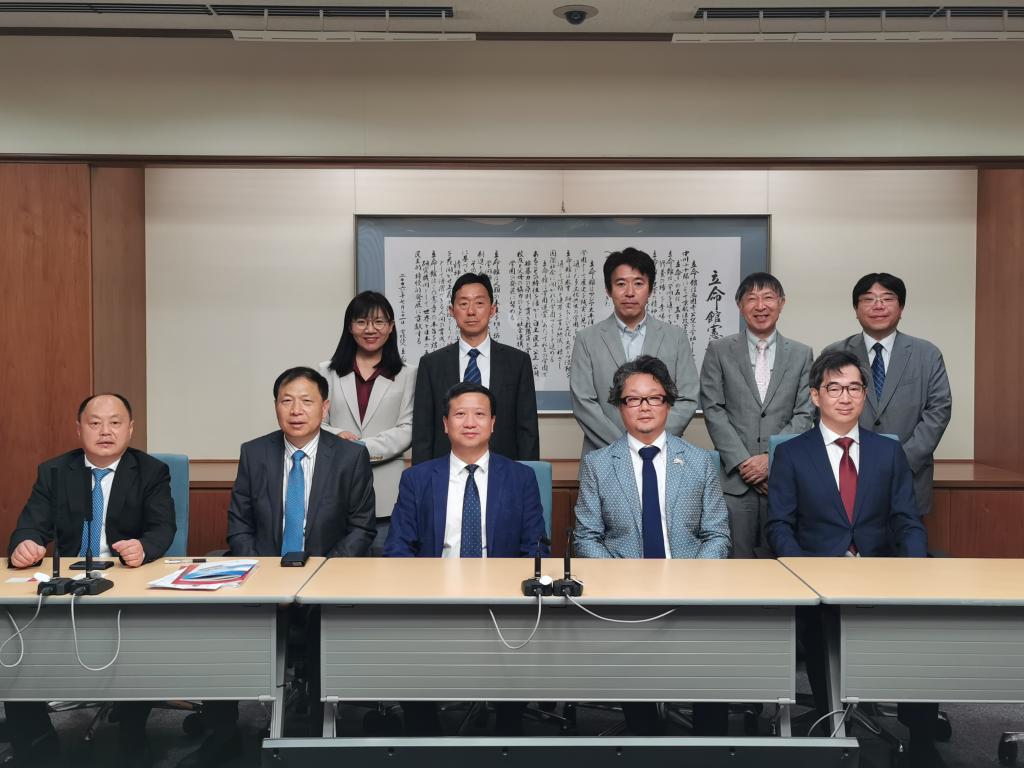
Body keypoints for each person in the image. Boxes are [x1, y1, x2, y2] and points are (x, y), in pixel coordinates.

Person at [177, 367, 375, 768]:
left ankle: (321, 737)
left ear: (324, 407)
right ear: (276, 407)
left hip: (326, 581)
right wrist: (265, 580)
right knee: (221, 626)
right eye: (287, 401)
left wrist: (319, 579)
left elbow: (361, 527)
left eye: (306, 401)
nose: (296, 410)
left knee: (324, 628)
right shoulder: (256, 453)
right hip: (264, 578)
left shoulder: (350, 456)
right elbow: (240, 525)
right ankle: (223, 734)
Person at [766, 349, 940, 767]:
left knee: (924, 629)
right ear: (815, 395)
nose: (845, 397)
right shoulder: (792, 453)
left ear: (864, 395)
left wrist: (916, 574)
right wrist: (806, 574)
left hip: (882, 575)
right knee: (820, 627)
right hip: (817, 580)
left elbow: (907, 520)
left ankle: (921, 738)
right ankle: (831, 724)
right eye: (834, 388)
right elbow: (779, 526)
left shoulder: (887, 452)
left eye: (854, 388)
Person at [6, 393, 176, 768]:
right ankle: (36, 745)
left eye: (115, 423)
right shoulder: (54, 471)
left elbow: (162, 528)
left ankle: (132, 730)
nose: (105, 431)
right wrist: (24, 545)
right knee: (16, 640)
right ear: (78, 429)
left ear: (130, 429)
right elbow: (30, 526)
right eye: (95, 423)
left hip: (125, 580)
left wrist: (143, 547)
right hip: (67, 582)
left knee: (142, 641)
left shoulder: (151, 471)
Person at [573, 356, 730, 736]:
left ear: (668, 403)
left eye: (654, 398)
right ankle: (644, 739)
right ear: (619, 406)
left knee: (713, 662)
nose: (644, 407)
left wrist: (690, 577)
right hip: (626, 595)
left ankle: (710, 746)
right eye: (633, 399)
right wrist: (626, 578)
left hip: (691, 591)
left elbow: (718, 534)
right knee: (634, 665)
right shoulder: (598, 464)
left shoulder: (699, 462)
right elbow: (586, 537)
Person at [385, 382, 547, 736]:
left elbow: (535, 549)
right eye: (460, 414)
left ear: (493, 423)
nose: (470, 422)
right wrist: (421, 592)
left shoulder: (521, 478)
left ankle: (508, 736)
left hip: (502, 597)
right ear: (445, 424)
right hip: (433, 595)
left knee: (521, 643)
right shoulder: (417, 479)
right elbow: (398, 548)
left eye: (479, 414)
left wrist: (512, 594)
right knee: (408, 646)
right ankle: (423, 738)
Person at [699, 272, 814, 558]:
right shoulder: (719, 350)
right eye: (751, 299)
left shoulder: (802, 354)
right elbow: (713, 408)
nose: (760, 306)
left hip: (784, 478)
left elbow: (805, 412)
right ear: (740, 306)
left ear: (781, 303)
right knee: (733, 562)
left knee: (784, 561)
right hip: (735, 482)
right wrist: (744, 462)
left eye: (768, 298)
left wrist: (771, 459)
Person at [825, 272, 952, 517]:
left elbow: (939, 411)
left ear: (901, 308)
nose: (878, 305)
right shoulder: (834, 353)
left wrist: (900, 461)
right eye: (868, 299)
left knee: (906, 539)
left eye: (887, 298)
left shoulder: (927, 354)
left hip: (908, 477)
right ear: (856, 309)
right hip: (847, 472)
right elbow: (822, 411)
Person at [570, 247, 699, 457]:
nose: (630, 292)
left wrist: (652, 441)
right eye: (621, 284)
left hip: (663, 453)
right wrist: (626, 447)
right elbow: (583, 403)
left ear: (650, 290)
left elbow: (688, 397)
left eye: (638, 283)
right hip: (603, 455)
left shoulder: (675, 337)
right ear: (608, 290)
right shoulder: (587, 339)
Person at [319, 291, 416, 555]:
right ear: (350, 327)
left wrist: (360, 448)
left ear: (391, 327)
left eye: (379, 322)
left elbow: (408, 427)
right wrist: (339, 435)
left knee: (385, 570)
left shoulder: (408, 374)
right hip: (335, 488)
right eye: (361, 322)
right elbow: (317, 422)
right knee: (336, 570)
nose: (370, 329)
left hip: (388, 494)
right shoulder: (327, 371)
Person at [412, 273, 539, 464]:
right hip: (445, 470)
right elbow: (423, 431)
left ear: (493, 309)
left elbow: (527, 429)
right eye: (463, 304)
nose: (471, 311)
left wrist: (527, 474)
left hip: (503, 469)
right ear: (451, 310)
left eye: (479, 303)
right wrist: (422, 478)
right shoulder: (431, 364)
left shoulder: (517, 362)